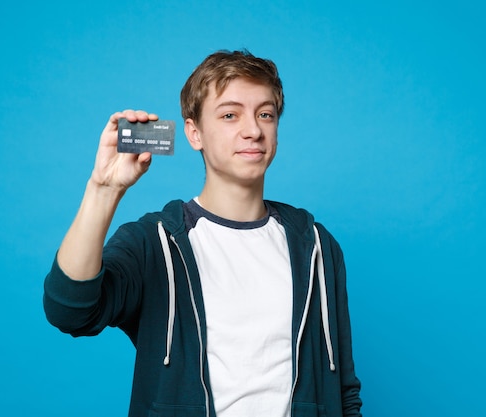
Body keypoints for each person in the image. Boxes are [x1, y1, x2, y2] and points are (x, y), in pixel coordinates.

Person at [43, 50, 363, 417]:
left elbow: (344, 392)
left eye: (265, 114)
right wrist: (103, 189)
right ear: (194, 133)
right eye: (230, 115)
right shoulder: (156, 242)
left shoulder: (317, 247)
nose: (253, 130)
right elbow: (69, 311)